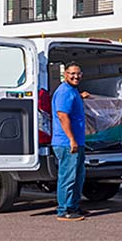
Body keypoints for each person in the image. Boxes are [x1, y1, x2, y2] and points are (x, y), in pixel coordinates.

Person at [52, 62, 90, 221]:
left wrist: (80, 96)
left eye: (78, 73)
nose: (75, 76)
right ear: (65, 74)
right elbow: (62, 116)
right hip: (67, 142)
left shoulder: (72, 91)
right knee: (68, 177)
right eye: (72, 73)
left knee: (78, 176)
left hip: (77, 142)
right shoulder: (64, 92)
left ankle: (73, 206)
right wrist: (72, 140)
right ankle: (64, 210)